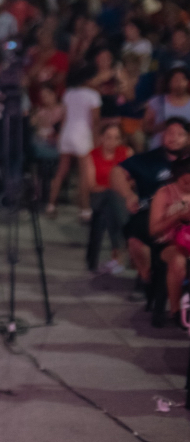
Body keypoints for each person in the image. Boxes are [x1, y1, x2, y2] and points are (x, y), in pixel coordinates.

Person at [112, 117, 189, 293]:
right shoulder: (148, 159)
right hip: (151, 213)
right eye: (170, 133)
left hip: (184, 215)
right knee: (135, 235)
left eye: (180, 134)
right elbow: (117, 172)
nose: (174, 138)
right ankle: (147, 278)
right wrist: (128, 195)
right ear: (163, 135)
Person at [48, 65, 102, 219]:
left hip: (67, 133)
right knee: (84, 174)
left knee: (61, 171)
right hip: (82, 135)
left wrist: (60, 136)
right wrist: (96, 139)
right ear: (88, 79)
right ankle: (84, 209)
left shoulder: (69, 93)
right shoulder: (93, 95)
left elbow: (64, 117)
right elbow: (95, 121)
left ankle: (51, 205)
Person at [86, 122, 132, 273]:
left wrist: (120, 190)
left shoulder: (126, 153)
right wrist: (115, 188)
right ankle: (123, 246)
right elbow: (92, 185)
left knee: (111, 208)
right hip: (99, 197)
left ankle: (115, 258)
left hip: (120, 198)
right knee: (111, 198)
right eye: (108, 137)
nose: (112, 141)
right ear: (101, 138)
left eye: (116, 138)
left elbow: (133, 179)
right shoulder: (92, 155)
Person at [148, 158, 190, 321]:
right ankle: (176, 311)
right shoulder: (165, 193)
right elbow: (154, 230)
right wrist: (177, 216)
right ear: (177, 178)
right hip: (168, 243)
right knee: (178, 262)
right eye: (185, 182)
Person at [144, 64, 190, 148]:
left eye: (183, 79)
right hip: (159, 147)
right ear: (169, 82)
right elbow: (146, 128)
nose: (179, 83)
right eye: (176, 80)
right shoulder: (157, 101)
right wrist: (160, 127)